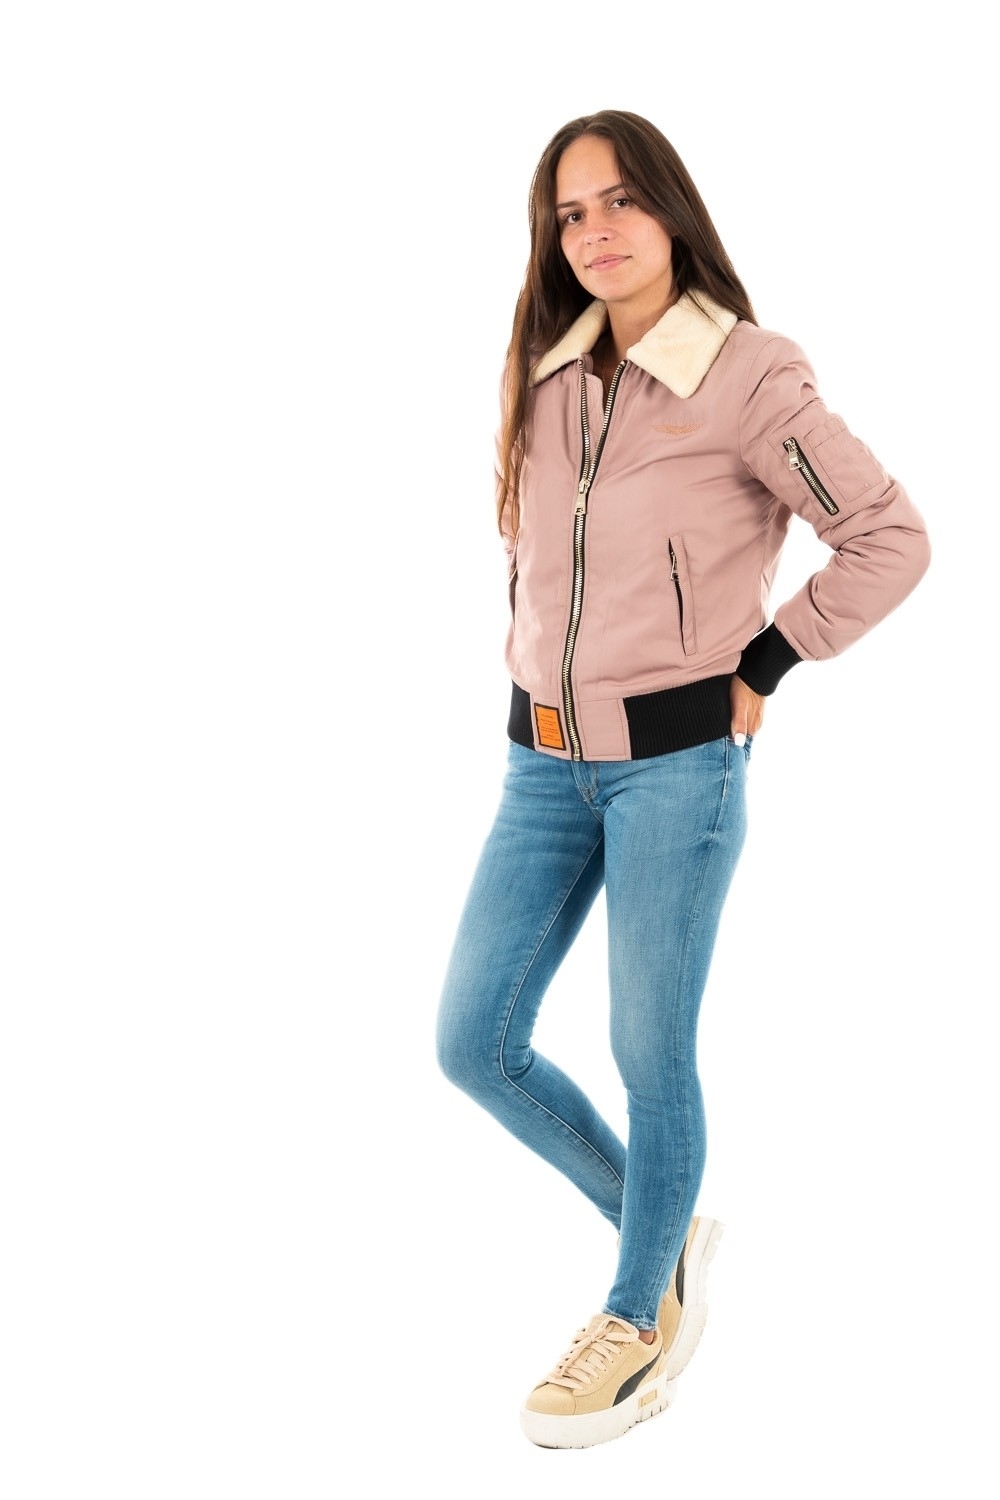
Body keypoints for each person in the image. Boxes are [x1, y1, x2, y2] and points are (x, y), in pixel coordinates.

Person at [435, 109, 930, 1451]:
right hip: (540, 765)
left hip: (677, 769)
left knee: (648, 1052)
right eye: (569, 213)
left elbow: (889, 537)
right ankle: (661, 1235)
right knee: (472, 1042)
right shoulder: (548, 371)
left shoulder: (749, 373)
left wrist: (771, 655)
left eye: (619, 202)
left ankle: (636, 1316)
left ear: (670, 208)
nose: (594, 232)